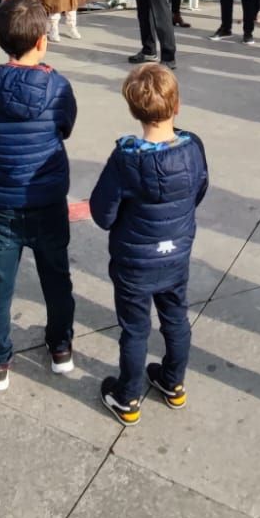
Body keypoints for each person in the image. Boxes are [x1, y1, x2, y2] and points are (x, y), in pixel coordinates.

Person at [90, 64, 209, 426]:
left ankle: (128, 396)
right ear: (177, 106)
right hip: (176, 253)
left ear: (133, 109)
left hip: (134, 262)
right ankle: (174, 382)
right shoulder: (193, 148)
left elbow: (103, 213)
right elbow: (199, 189)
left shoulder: (126, 159)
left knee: (136, 328)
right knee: (176, 317)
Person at [0, 0, 79, 392]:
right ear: (42, 40)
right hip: (47, 195)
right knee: (57, 277)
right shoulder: (58, 87)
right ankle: (61, 348)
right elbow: (64, 128)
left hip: (2, 198)